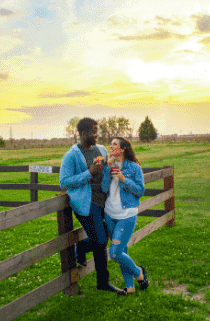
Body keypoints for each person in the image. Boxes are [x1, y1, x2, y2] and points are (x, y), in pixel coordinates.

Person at [59, 118, 125, 294]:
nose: (97, 135)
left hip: (103, 200)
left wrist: (110, 168)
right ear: (84, 134)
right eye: (94, 132)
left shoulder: (101, 150)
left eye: (97, 131)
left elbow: (105, 173)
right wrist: (89, 172)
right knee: (101, 240)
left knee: (102, 238)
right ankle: (103, 282)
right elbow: (64, 182)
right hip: (85, 203)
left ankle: (80, 248)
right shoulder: (71, 155)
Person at [101, 136, 149, 294]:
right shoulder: (109, 165)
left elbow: (140, 191)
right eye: (111, 144)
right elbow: (104, 188)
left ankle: (139, 273)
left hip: (126, 214)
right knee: (122, 251)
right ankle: (130, 287)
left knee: (114, 253)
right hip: (110, 213)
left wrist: (123, 179)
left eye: (114, 144)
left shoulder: (134, 168)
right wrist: (107, 169)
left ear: (122, 149)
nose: (111, 146)